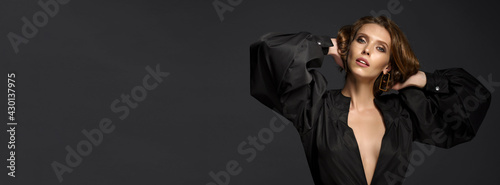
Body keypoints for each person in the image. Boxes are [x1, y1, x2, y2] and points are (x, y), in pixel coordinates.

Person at [249, 16, 492, 185]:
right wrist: (329, 46)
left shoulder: (403, 114)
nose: (366, 51)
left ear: (387, 66)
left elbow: (473, 99)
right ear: (349, 48)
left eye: (380, 48)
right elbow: (269, 50)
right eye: (361, 40)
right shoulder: (314, 107)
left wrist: (422, 79)